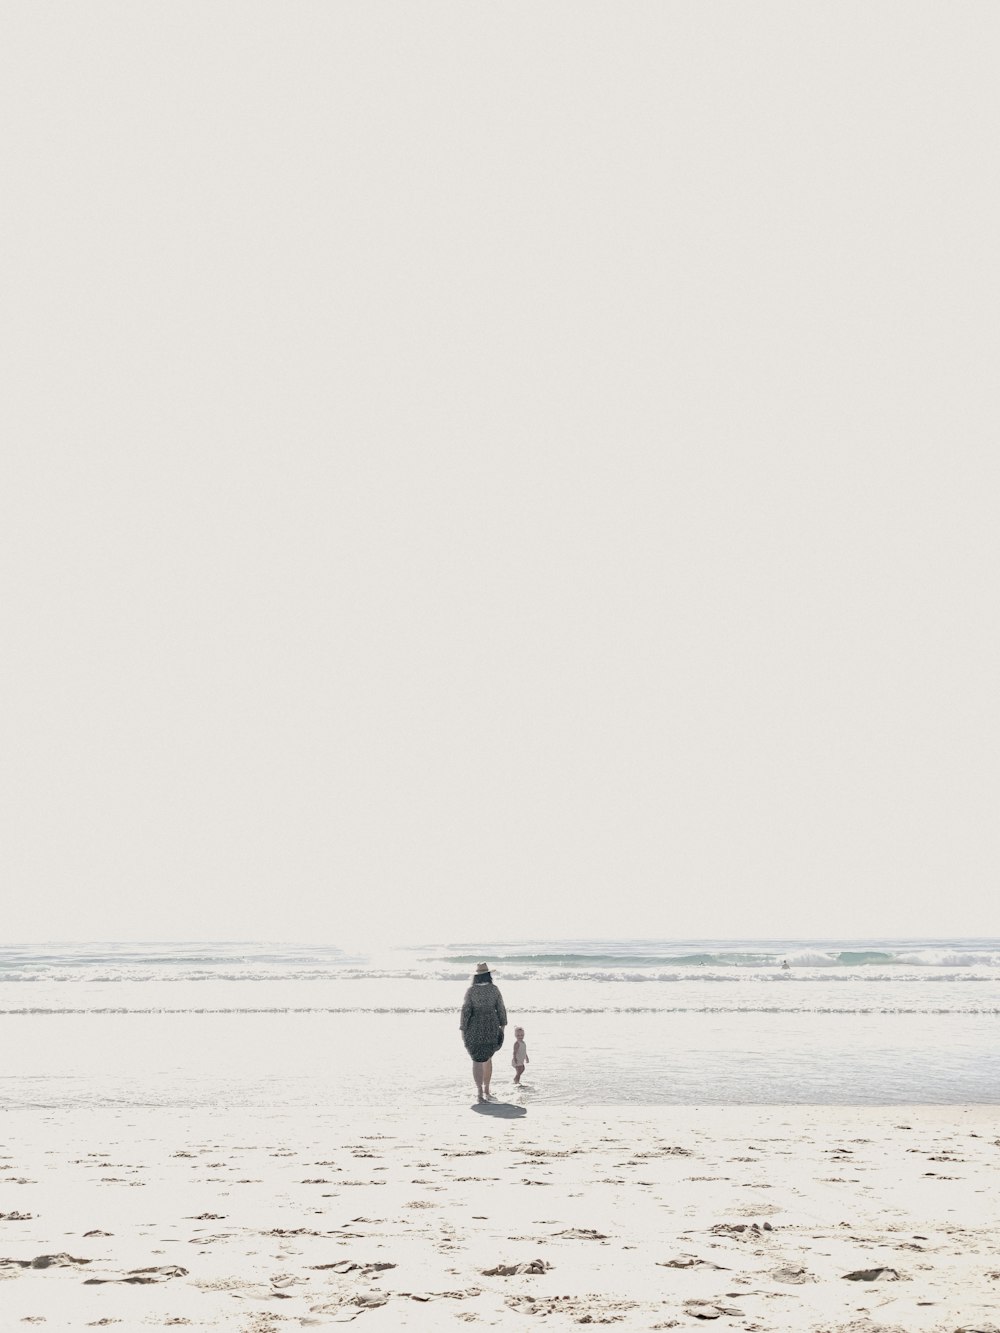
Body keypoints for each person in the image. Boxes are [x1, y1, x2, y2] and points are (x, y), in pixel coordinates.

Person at [460, 962, 507, 1102]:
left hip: (474, 1027)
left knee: (476, 1060)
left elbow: (466, 1011)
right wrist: (502, 1026)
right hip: (491, 1026)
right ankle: (487, 1089)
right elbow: (501, 1008)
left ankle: (479, 1091)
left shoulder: (471, 990)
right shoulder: (494, 989)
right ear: (488, 975)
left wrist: (463, 1028)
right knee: (488, 1058)